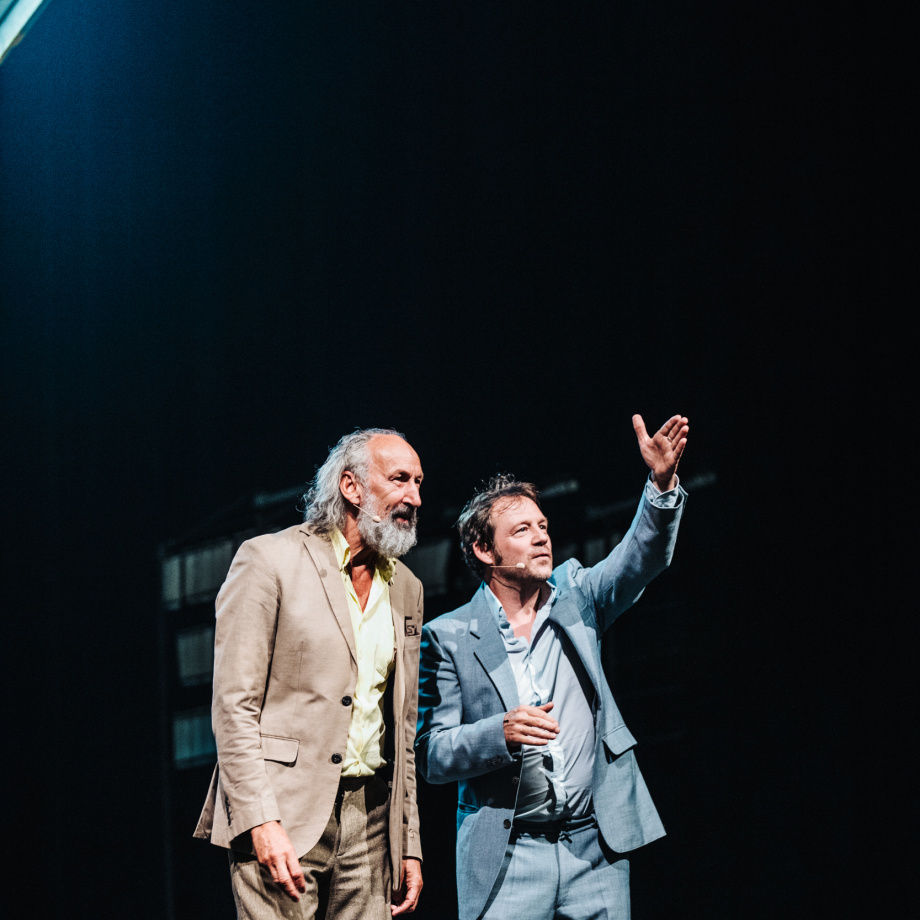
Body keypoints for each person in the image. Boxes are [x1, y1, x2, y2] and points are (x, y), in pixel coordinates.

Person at [415, 414, 689, 920]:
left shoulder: (578, 594)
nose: (542, 537)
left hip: (594, 848)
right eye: (522, 530)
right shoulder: (448, 636)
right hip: (511, 856)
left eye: (542, 526)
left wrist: (660, 485)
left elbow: (640, 557)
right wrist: (500, 732)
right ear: (484, 550)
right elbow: (432, 754)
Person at [195, 428, 425, 919]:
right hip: (285, 808)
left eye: (418, 483)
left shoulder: (407, 586)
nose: (414, 497)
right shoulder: (269, 560)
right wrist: (259, 819)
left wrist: (408, 841)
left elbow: (403, 727)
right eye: (400, 479)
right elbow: (234, 707)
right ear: (351, 487)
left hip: (372, 820)